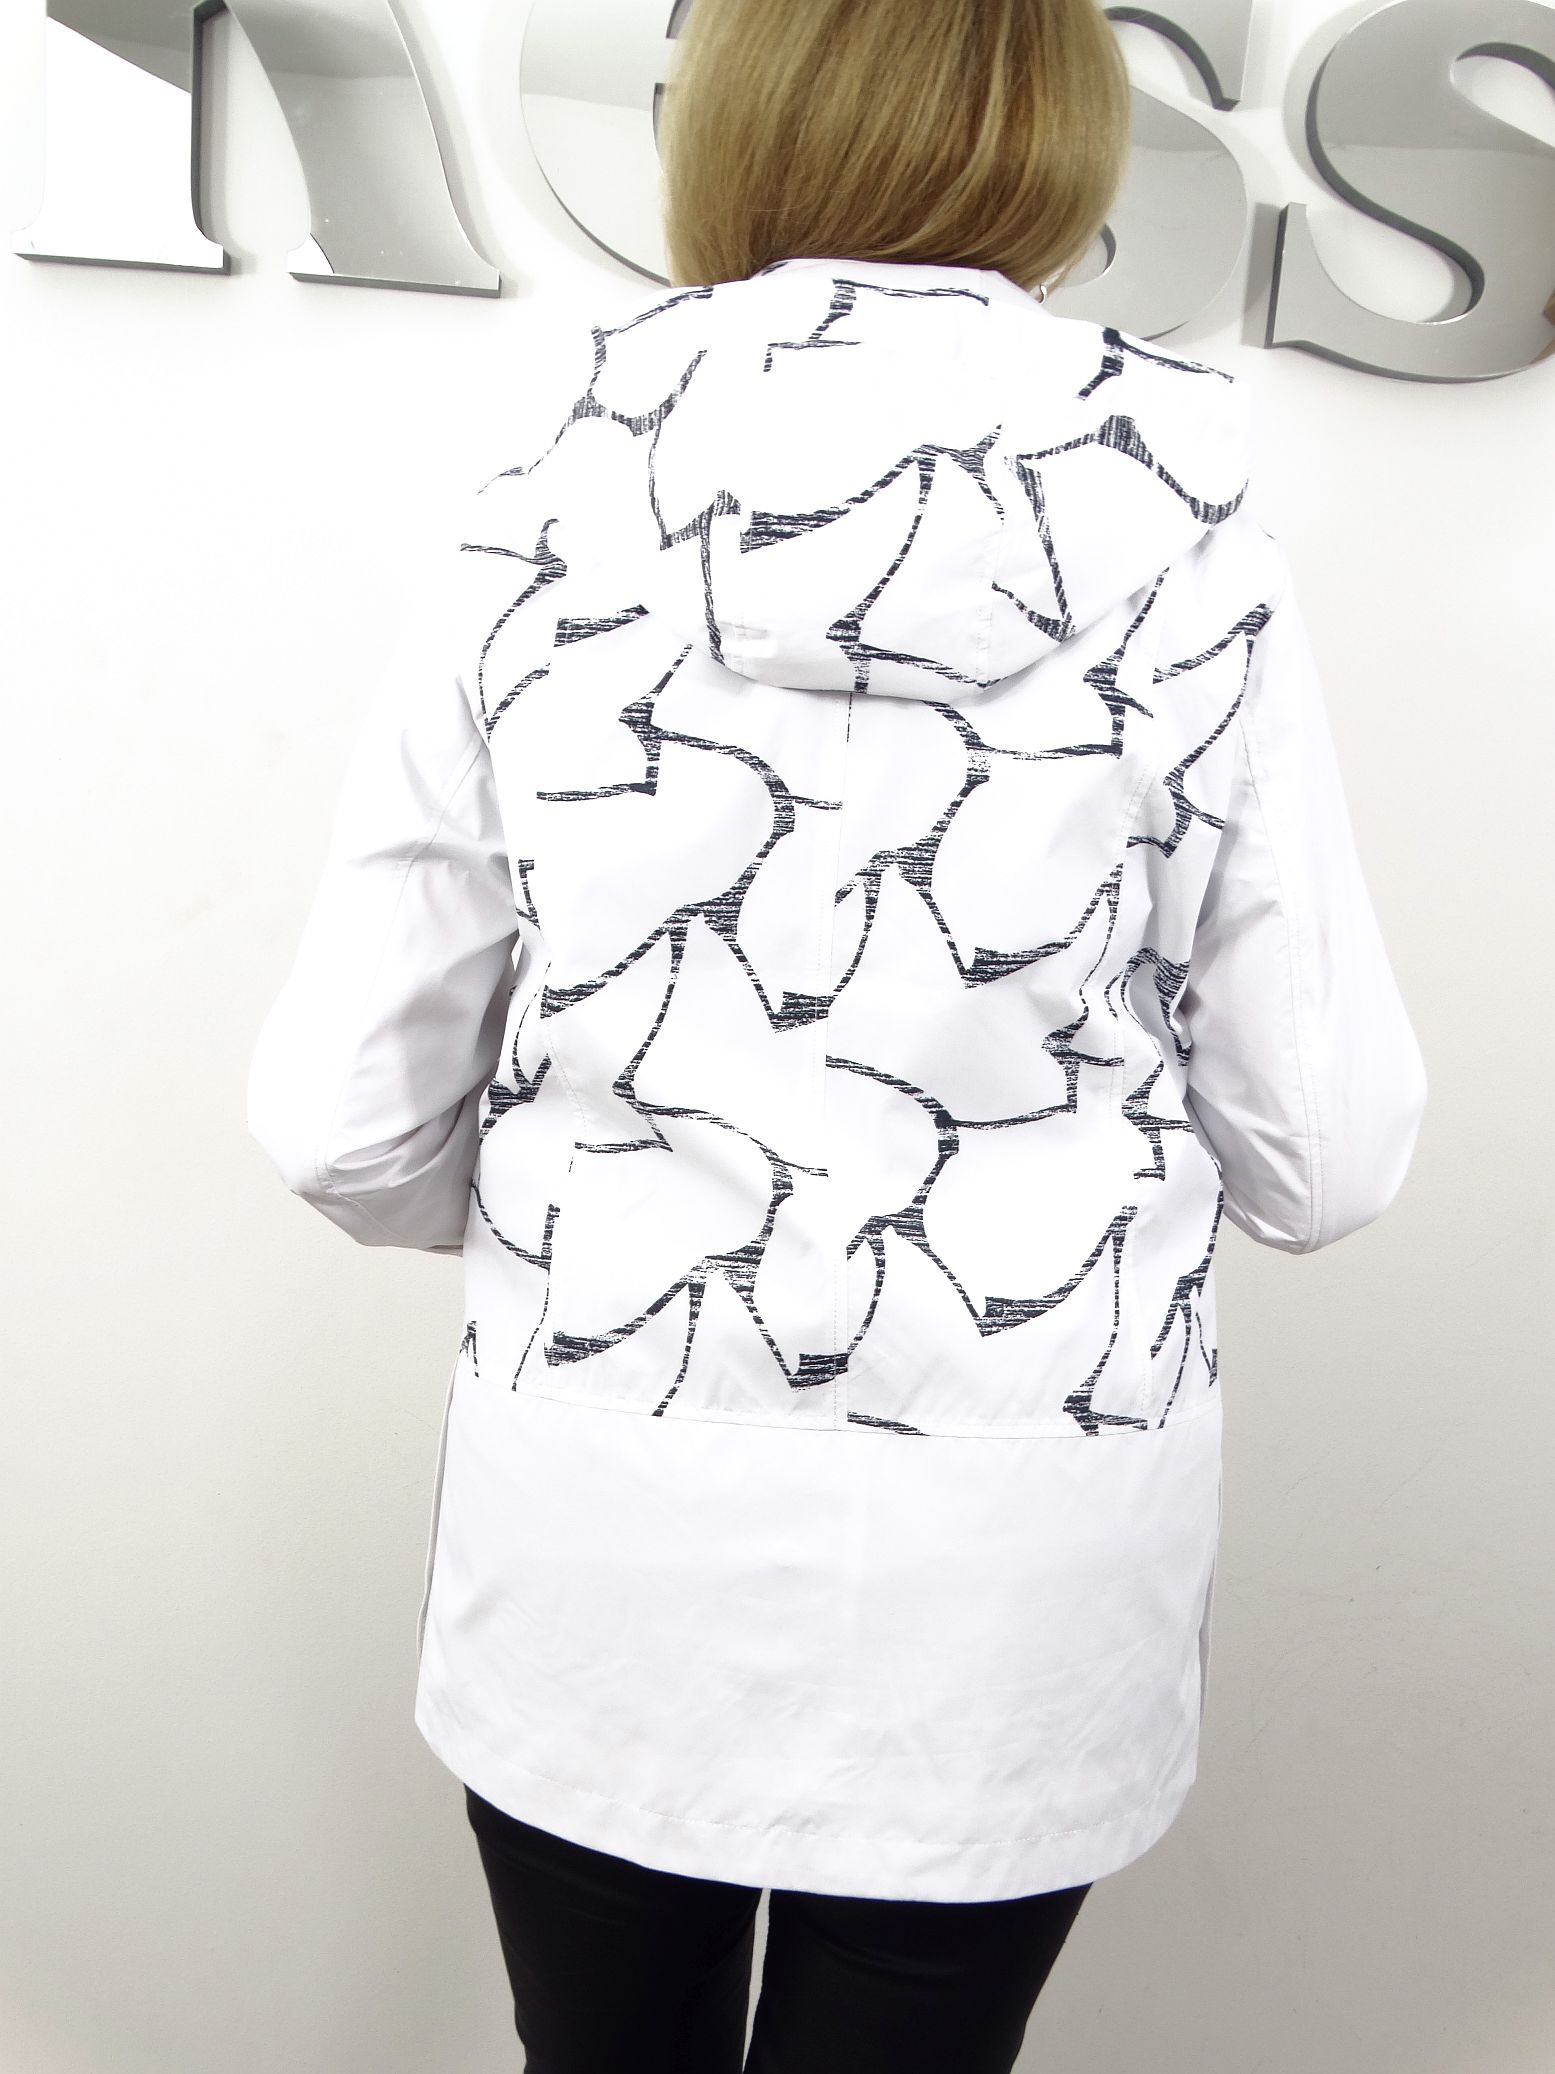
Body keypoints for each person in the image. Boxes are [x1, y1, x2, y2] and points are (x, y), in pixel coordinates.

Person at [245, 0, 1428, 2066]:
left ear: (727, 116)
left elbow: (345, 1115)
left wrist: (589, 1196)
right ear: (1057, 129)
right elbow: (1326, 1153)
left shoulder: (548, 483)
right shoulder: (1190, 520)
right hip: (1019, 1552)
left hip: (603, 1513)